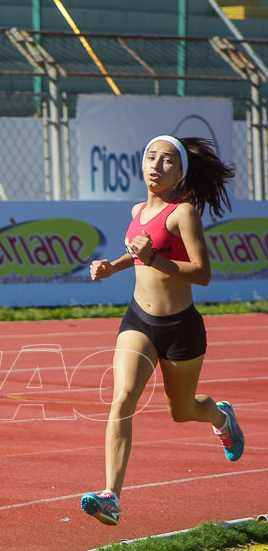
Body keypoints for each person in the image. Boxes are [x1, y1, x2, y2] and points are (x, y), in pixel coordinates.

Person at [81, 135, 244, 526]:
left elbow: (202, 274)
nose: (156, 165)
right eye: (151, 157)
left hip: (181, 328)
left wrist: (155, 259)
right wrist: (112, 267)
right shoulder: (138, 209)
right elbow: (138, 253)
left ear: (180, 171)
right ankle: (111, 497)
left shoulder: (183, 213)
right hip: (139, 320)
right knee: (122, 399)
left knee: (182, 411)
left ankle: (221, 419)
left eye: (167, 160)